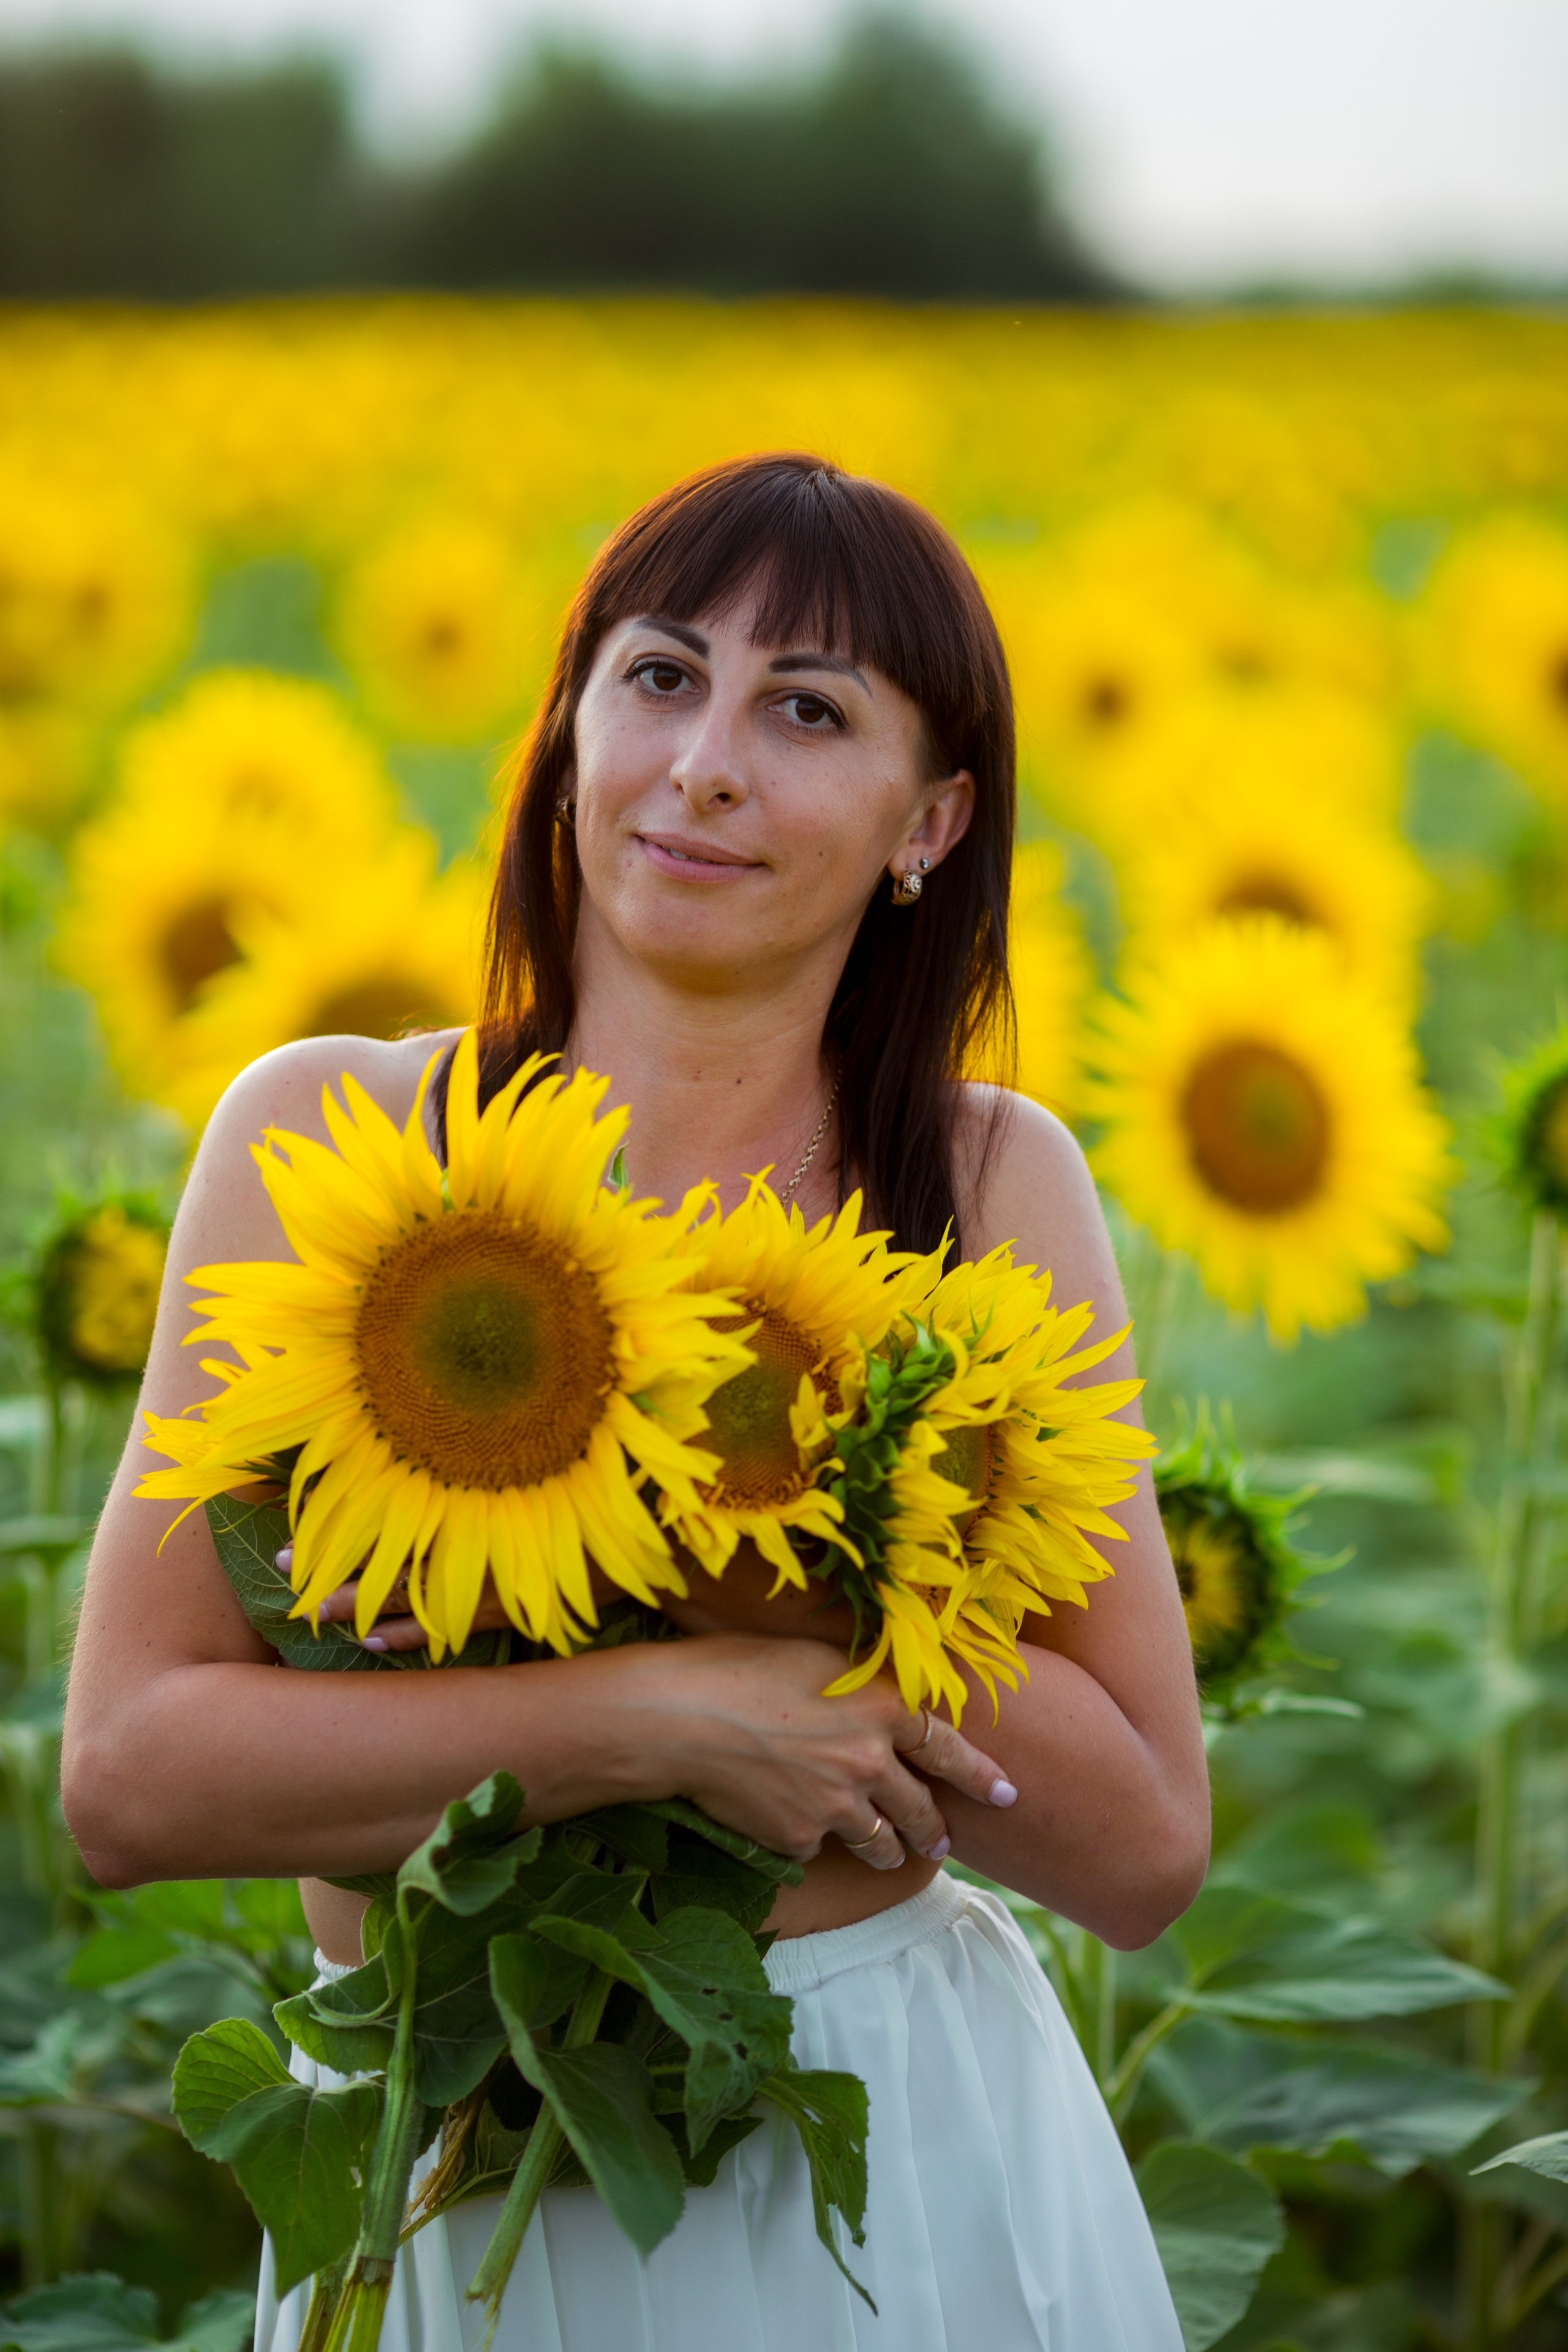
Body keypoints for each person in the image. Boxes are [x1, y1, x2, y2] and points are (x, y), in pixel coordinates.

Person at [64, 453, 1208, 2350]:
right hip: (419, 2163)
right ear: (569, 730)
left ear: (930, 821)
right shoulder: (328, 1138)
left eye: (808, 711)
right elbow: (128, 1779)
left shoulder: (982, 1185)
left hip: (874, 2159)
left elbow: (1143, 1843)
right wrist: (653, 1716)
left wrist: (763, 1554)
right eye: (663, 677)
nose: (706, 766)